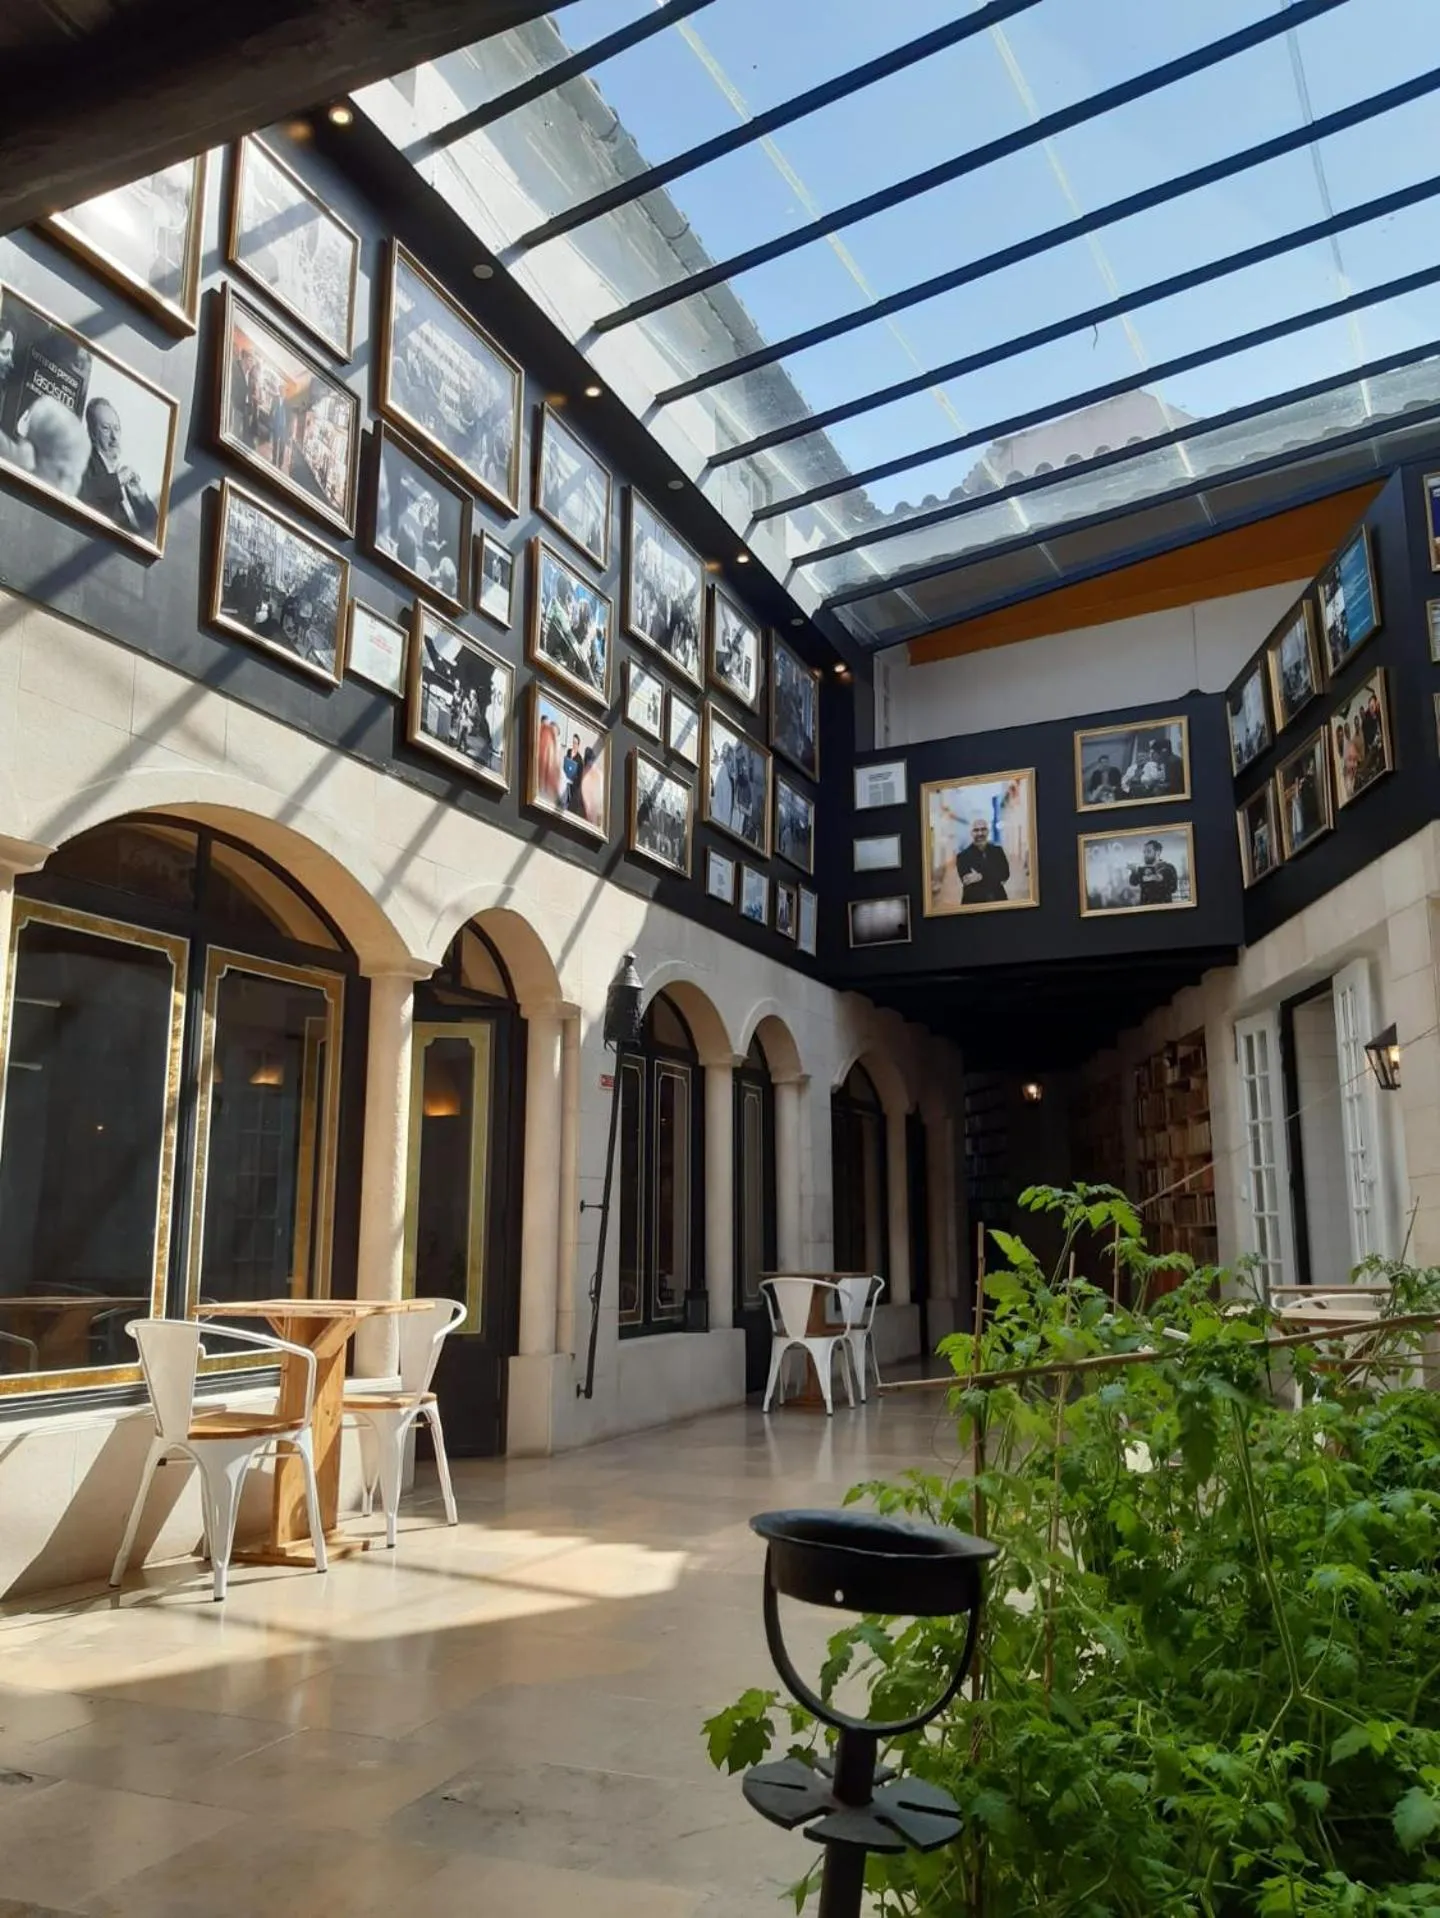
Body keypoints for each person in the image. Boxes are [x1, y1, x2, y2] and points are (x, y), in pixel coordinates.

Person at [77, 396, 159, 535]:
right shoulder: (83, 461)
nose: (114, 436)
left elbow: (155, 527)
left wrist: (141, 497)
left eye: (117, 428)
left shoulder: (123, 473)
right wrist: (119, 478)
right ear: (91, 432)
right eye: (106, 428)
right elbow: (84, 493)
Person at [955, 816, 1009, 905]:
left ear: (988, 831)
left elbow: (1005, 874)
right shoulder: (962, 856)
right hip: (973, 903)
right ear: (971, 833)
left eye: (983, 829)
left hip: (998, 900)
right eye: (976, 830)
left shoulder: (998, 851)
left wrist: (980, 876)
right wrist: (993, 873)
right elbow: (966, 880)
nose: (980, 833)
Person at [1129, 838, 1179, 907]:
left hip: (1164, 909)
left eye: (1148, 851)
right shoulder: (1141, 869)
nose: (1145, 855)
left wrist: (1157, 878)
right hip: (1145, 909)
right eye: (1144, 852)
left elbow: (1173, 888)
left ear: (1157, 852)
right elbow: (1133, 882)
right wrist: (1133, 871)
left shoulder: (1169, 868)